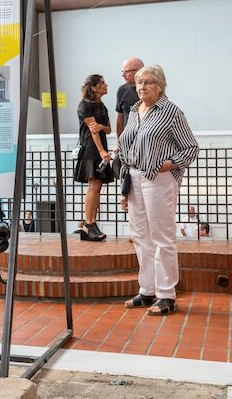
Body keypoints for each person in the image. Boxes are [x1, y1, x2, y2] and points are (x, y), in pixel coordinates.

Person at [119, 65, 199, 316]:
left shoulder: (172, 112)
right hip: (133, 177)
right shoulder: (133, 111)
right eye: (139, 83)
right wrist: (124, 188)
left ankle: (166, 295)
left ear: (161, 85)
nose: (142, 87)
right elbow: (125, 148)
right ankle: (147, 290)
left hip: (158, 178)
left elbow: (190, 148)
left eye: (148, 83)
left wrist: (169, 164)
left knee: (162, 238)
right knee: (140, 237)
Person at [73, 74, 114, 241]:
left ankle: (91, 224)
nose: (106, 85)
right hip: (91, 149)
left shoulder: (102, 106)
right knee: (94, 185)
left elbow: (108, 129)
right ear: (94, 87)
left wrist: (102, 126)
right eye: (102, 83)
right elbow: (93, 131)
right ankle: (89, 224)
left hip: (99, 148)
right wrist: (102, 151)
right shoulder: (85, 105)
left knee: (98, 186)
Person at [115, 57, 144, 140]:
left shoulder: (152, 90)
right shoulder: (122, 90)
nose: (123, 75)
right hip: (128, 141)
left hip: (147, 142)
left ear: (139, 71)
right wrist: (119, 142)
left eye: (126, 71)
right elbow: (120, 121)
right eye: (122, 72)